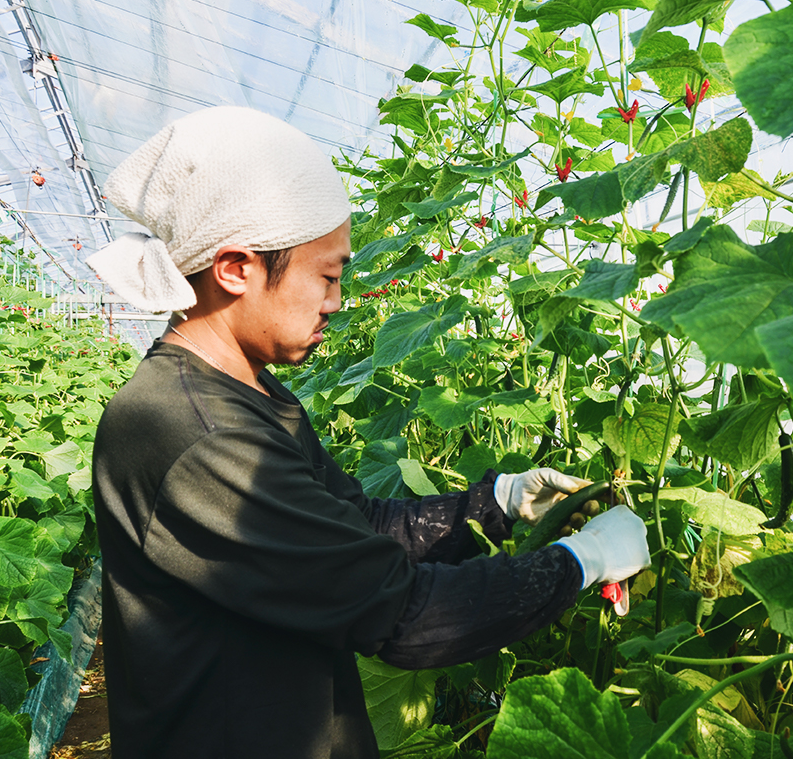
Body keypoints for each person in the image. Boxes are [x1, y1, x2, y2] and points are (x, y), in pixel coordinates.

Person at [87, 106, 651, 759]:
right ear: (235, 268)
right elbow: (403, 617)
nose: (337, 300)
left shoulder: (250, 396)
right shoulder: (194, 433)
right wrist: (583, 562)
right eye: (326, 276)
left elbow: (355, 525)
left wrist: (494, 504)